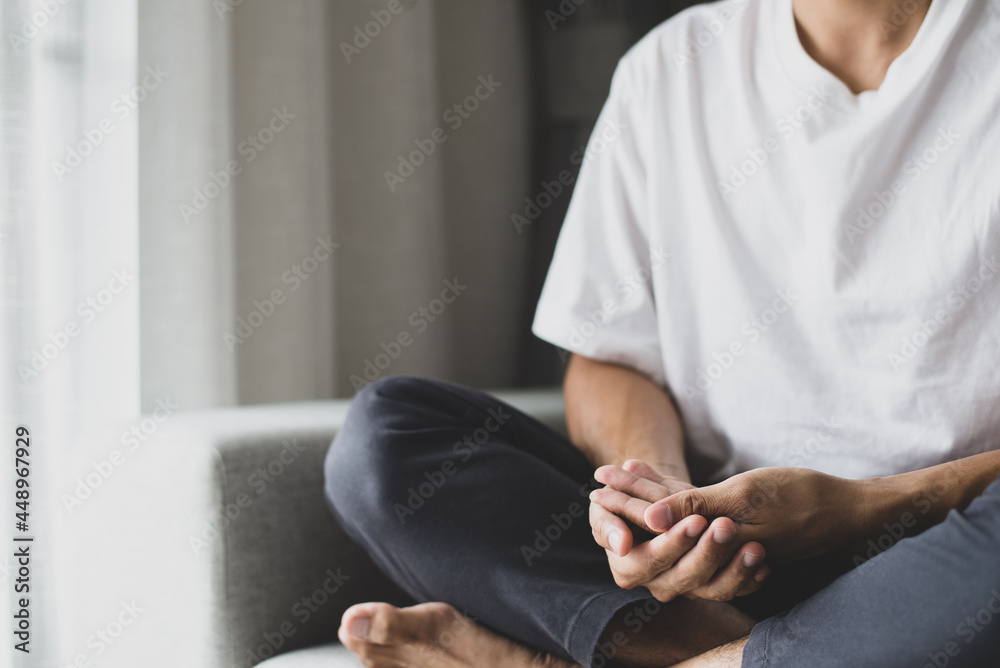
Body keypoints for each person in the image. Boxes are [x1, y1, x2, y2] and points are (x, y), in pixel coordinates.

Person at [324, 0, 1000, 665]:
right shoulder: (670, 66)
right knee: (386, 437)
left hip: (950, 547)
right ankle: (748, 652)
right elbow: (609, 358)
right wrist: (663, 503)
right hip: (732, 563)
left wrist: (856, 508)